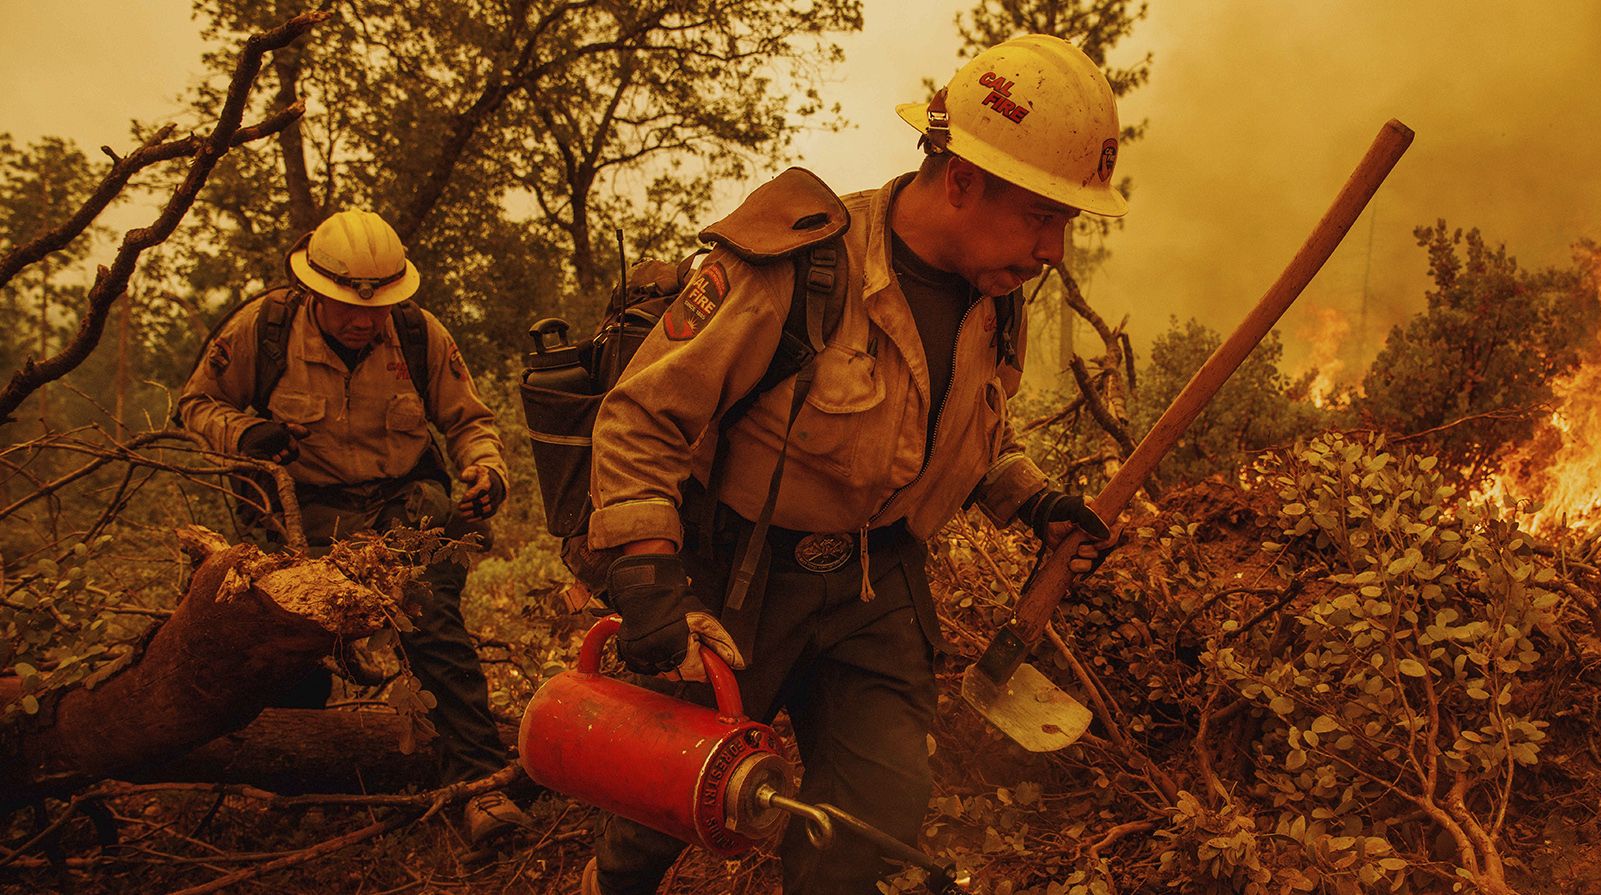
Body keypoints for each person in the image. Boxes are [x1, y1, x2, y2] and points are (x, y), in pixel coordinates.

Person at [577, 34, 1126, 894]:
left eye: (1067, 221)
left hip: (879, 586)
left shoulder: (999, 301)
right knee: (663, 802)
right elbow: (643, 413)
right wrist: (648, 573)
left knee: (874, 818)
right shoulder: (794, 268)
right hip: (742, 579)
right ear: (962, 180)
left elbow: (964, 430)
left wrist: (1034, 502)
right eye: (1040, 215)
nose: (1054, 247)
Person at [178, 209, 533, 847]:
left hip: (403, 505)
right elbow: (196, 404)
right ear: (314, 289)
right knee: (293, 645)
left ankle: (480, 786)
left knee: (430, 622)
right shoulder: (262, 329)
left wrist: (487, 470)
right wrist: (245, 432)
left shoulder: (421, 336)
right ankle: (296, 790)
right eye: (348, 305)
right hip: (302, 511)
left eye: (377, 306)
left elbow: (469, 421)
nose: (363, 319)